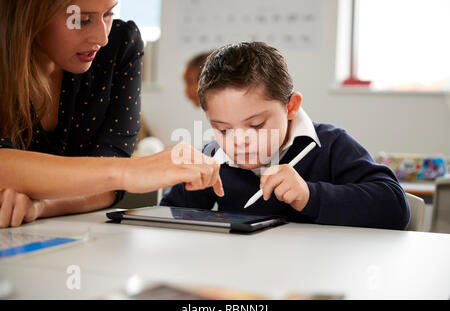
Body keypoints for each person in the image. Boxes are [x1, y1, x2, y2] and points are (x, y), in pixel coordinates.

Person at [0, 0, 223, 228]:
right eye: (81, 20)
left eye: (108, 14)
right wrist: (130, 171)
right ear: (29, 13)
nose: (101, 38)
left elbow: (108, 187)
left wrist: (40, 205)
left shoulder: (120, 44)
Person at [161, 42, 411, 230]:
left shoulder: (330, 145)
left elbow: (395, 208)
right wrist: (184, 184)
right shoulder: (214, 157)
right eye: (223, 129)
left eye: (256, 125)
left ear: (290, 107)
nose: (238, 140)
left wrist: (310, 195)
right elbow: (167, 219)